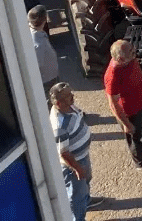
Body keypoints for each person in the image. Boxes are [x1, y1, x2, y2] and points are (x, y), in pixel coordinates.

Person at [104, 39, 142, 176]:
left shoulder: (130, 60)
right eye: (132, 52)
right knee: (135, 139)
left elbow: (137, 72)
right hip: (130, 112)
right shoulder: (113, 75)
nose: (135, 53)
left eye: (133, 49)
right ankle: (141, 165)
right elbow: (113, 103)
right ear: (120, 58)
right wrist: (125, 123)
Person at [50, 83, 104, 219]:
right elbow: (64, 153)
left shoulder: (69, 107)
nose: (72, 96)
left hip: (82, 156)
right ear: (58, 103)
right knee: (76, 196)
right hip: (74, 164)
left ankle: (87, 200)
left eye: (71, 93)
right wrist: (77, 169)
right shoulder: (60, 125)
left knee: (86, 181)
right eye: (68, 96)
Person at [29, 5, 59, 97]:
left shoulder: (38, 33)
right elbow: (36, 67)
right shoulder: (38, 44)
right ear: (45, 19)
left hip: (50, 79)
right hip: (47, 82)